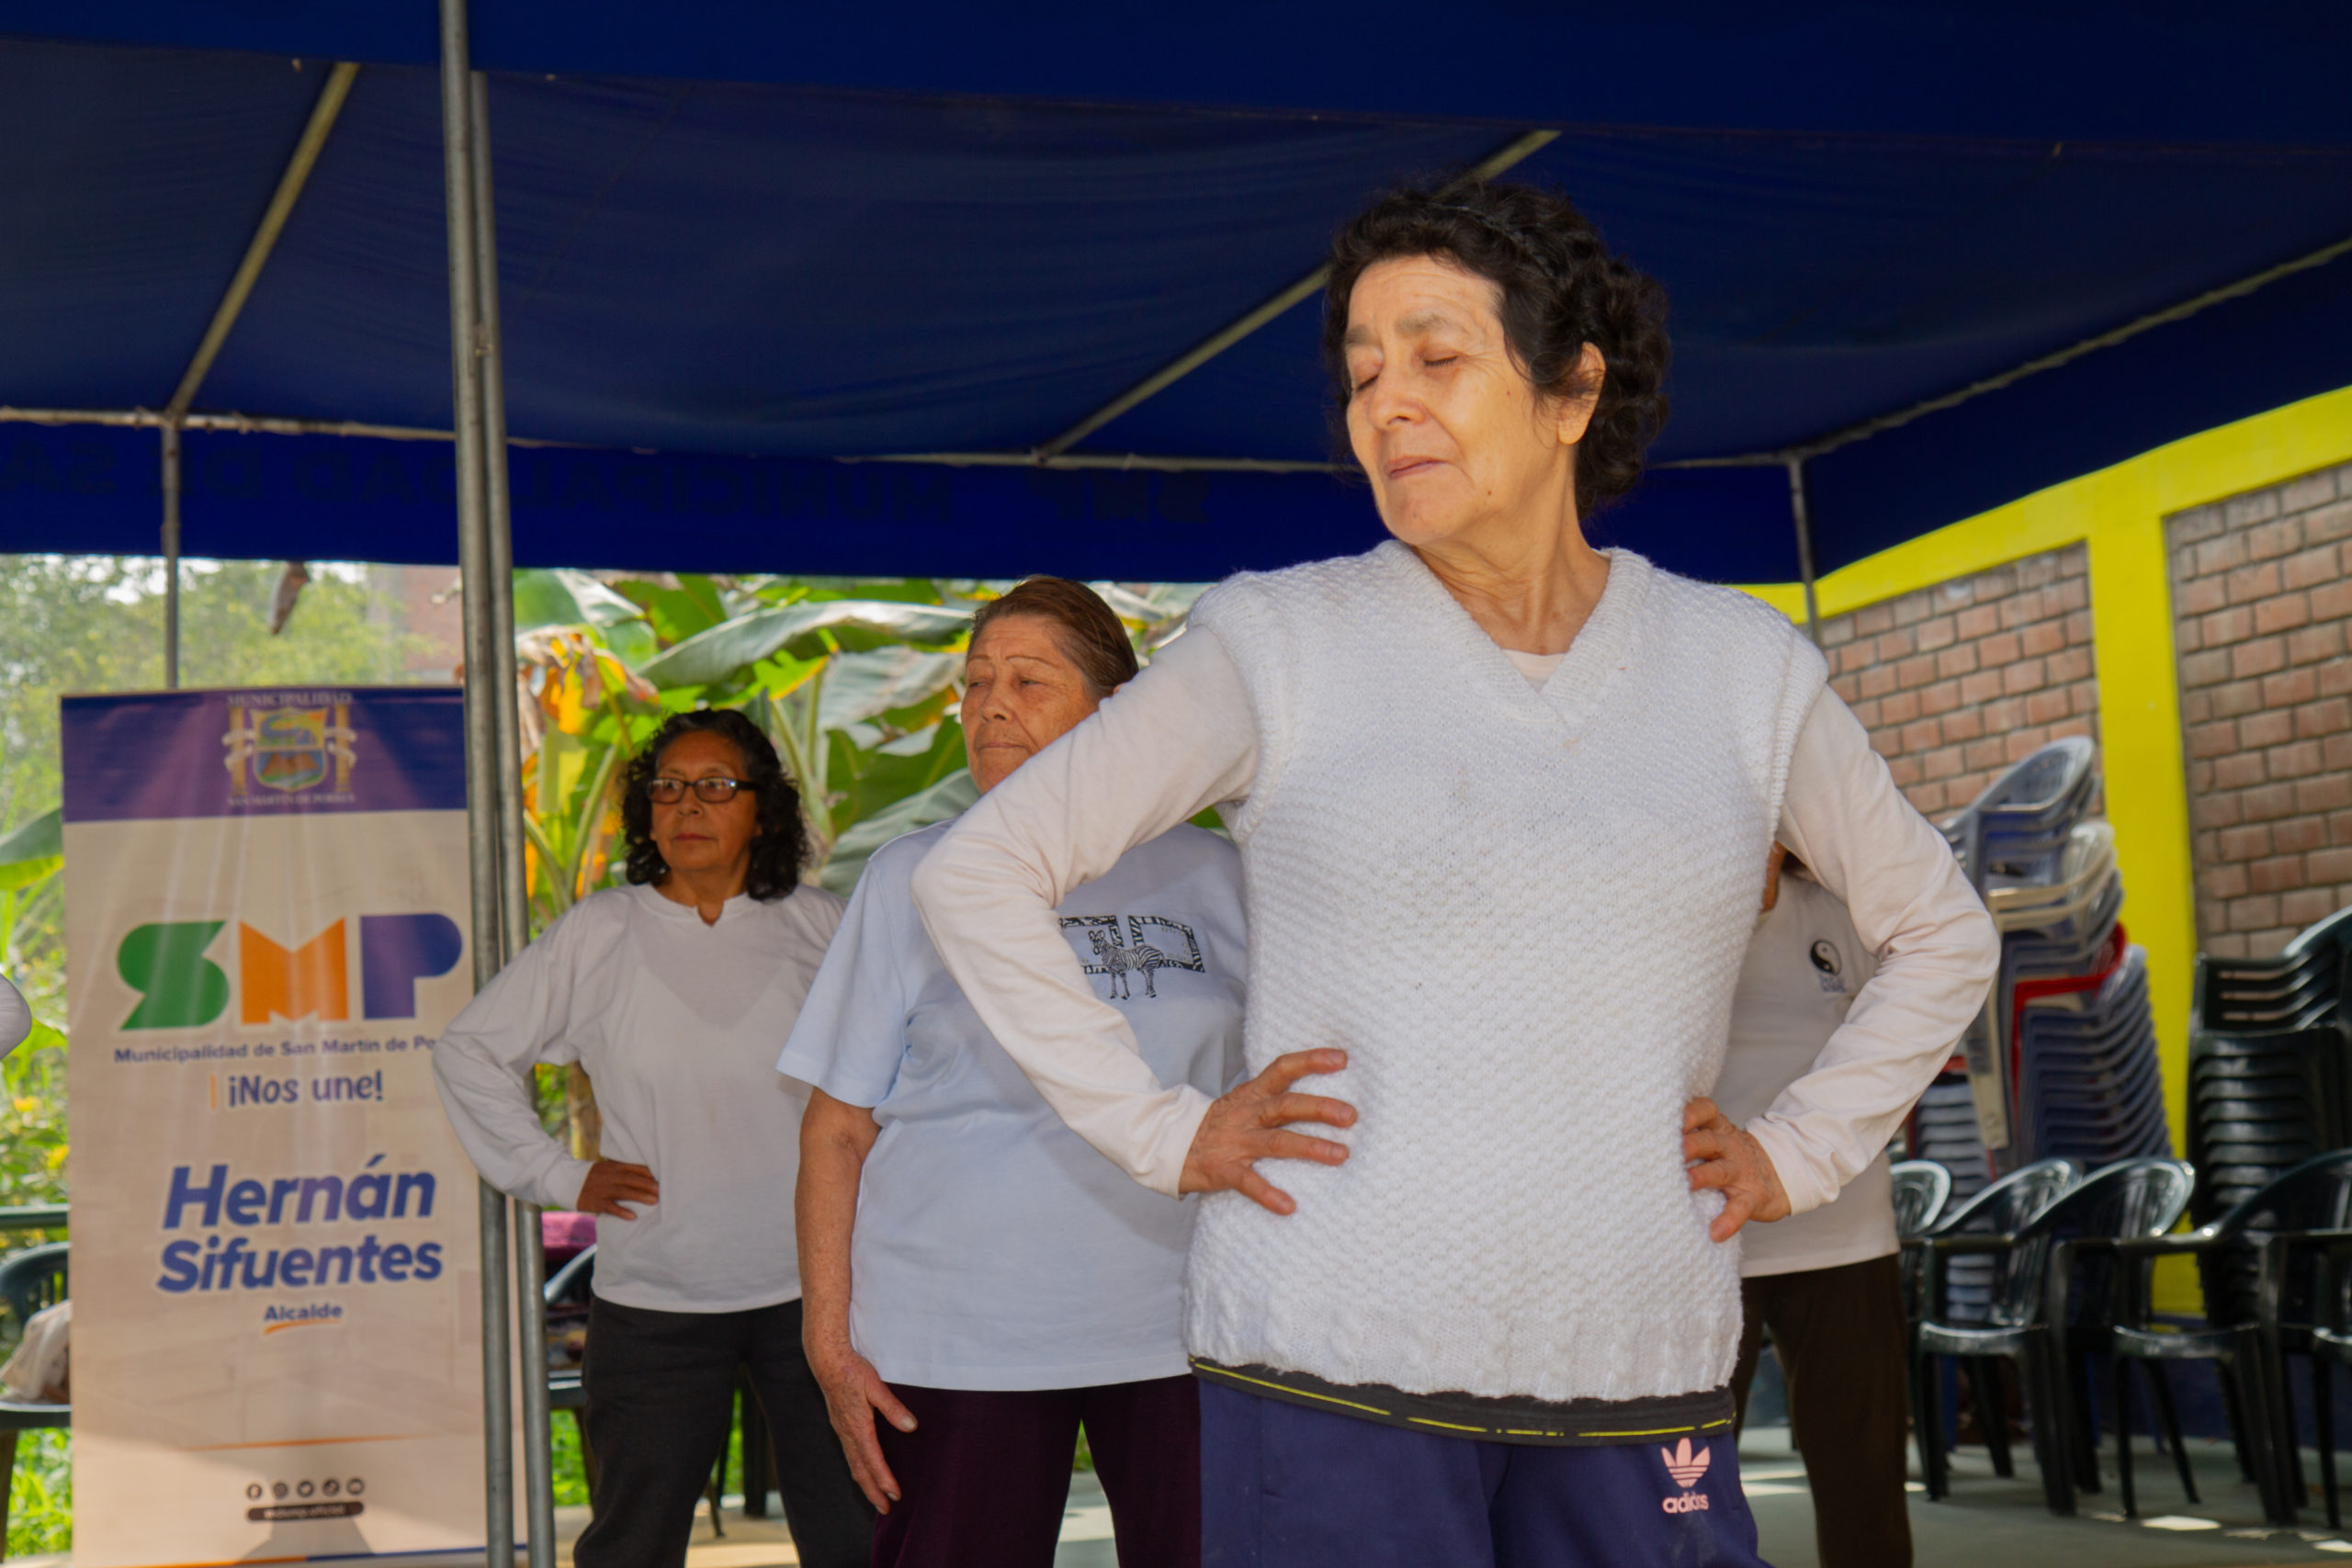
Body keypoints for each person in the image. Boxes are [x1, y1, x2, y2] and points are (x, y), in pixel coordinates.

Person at [909, 180, 2001, 1567]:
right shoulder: (1281, 641)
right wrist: (1163, 1128)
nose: (1385, 403)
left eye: (1435, 357)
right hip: (1329, 1359)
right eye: (1362, 372)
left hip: (1639, 1355)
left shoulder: (1742, 671)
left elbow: (1942, 931)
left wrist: (1801, 1148)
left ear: (1569, 390)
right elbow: (982, 871)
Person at [785, 577, 1243, 1568]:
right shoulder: (912, 875)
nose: (990, 703)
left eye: (1030, 680)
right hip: (957, 1337)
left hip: (1186, 1330)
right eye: (976, 681)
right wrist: (829, 1343)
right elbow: (835, 1127)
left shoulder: (1220, 875)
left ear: (1117, 712)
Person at [433, 709, 872, 1568]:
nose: (686, 806)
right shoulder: (602, 931)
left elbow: (902, 1076)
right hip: (657, 1300)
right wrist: (555, 1173)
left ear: (762, 809)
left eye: (715, 786)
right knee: (631, 1546)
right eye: (666, 788)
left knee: (854, 1537)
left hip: (821, 1296)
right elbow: (469, 1049)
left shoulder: (824, 927)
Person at [1716, 845, 1912, 1568]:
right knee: (1683, 1482)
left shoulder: (1839, 915)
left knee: (1865, 1483)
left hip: (1846, 1237)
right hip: (1711, 1239)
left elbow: (1899, 1048)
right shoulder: (1678, 920)